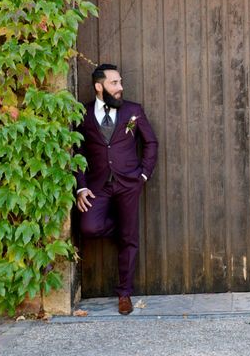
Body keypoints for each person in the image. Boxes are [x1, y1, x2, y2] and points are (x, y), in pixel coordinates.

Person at [74, 64, 158, 315]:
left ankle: (124, 294)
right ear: (99, 86)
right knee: (89, 227)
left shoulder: (133, 111)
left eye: (120, 82)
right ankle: (120, 231)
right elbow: (77, 152)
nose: (120, 87)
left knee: (129, 240)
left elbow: (151, 142)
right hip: (97, 185)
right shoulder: (84, 114)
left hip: (129, 183)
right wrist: (81, 188)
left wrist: (143, 173)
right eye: (114, 83)